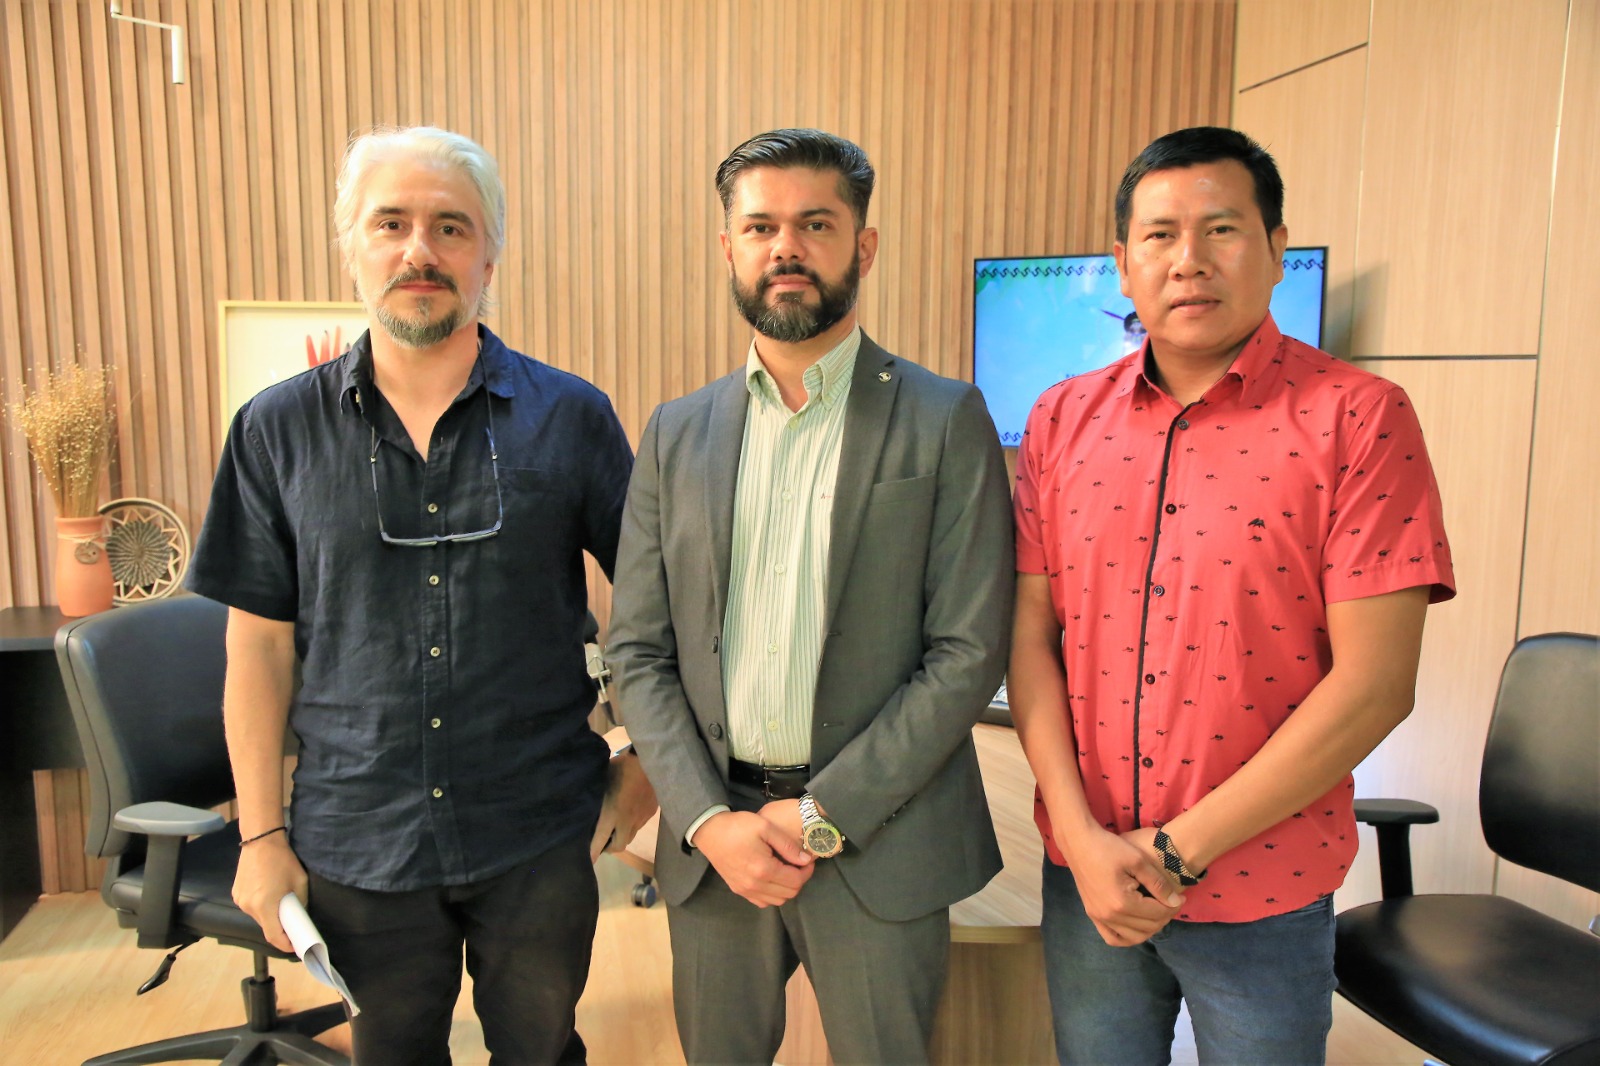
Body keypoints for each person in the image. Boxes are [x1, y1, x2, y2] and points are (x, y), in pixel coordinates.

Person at [187, 125, 652, 1066]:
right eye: (390, 223)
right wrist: (260, 835)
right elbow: (258, 651)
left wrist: (644, 767)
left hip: (539, 827)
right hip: (359, 840)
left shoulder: (572, 418)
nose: (419, 251)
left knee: (542, 1051)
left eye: (450, 227)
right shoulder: (275, 430)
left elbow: (660, 610)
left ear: (489, 257)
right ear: (351, 248)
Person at [1008, 126, 1455, 1064]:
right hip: (1085, 878)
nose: (1189, 261)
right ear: (1122, 264)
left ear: (1276, 249)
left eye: (1221, 230)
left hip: (1264, 886)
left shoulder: (1359, 419)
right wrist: (1084, 843)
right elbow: (1030, 640)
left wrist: (1174, 852)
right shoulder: (1060, 419)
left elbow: (1376, 685)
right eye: (1159, 236)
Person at [606, 128, 1014, 1064]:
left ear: (862, 246)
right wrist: (707, 821)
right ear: (729, 248)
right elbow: (638, 650)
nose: (785, 247)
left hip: (883, 836)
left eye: (815, 224)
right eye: (761, 227)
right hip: (718, 841)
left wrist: (825, 811)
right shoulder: (676, 432)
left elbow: (967, 651)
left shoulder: (945, 418)